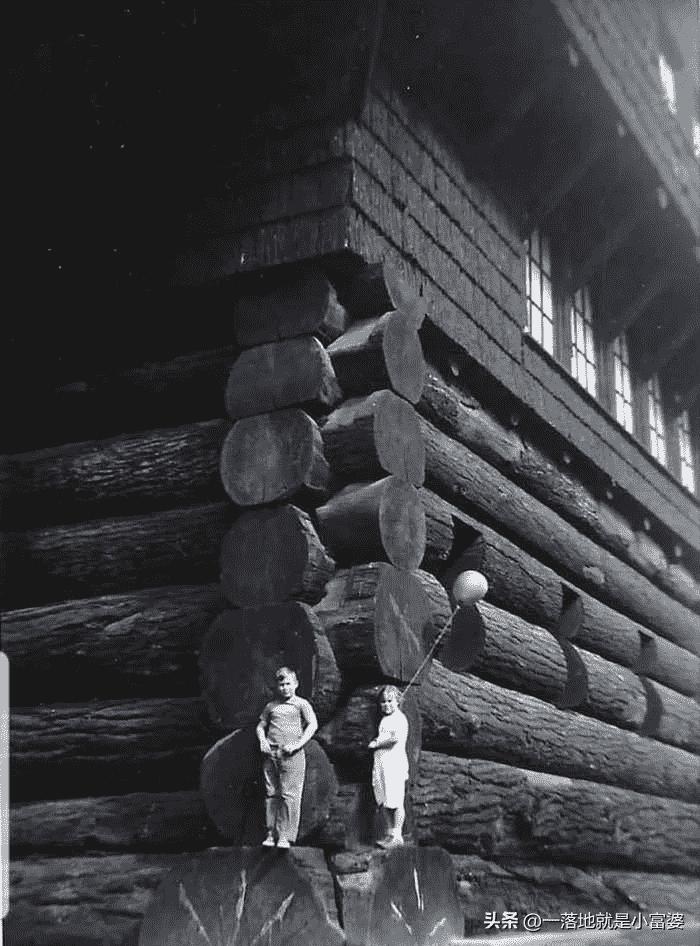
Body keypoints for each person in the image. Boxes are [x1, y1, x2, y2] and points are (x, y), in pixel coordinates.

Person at [256, 666, 318, 848]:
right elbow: (261, 726)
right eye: (281, 685)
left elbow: (312, 725)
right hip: (271, 753)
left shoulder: (301, 704)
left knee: (289, 795)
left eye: (288, 684)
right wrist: (262, 741)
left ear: (296, 684)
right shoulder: (271, 706)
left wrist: (298, 744)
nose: (285, 688)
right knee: (271, 793)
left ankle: (285, 836)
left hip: (291, 754)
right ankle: (270, 833)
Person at [368, 685, 409, 847]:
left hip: (394, 764)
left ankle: (398, 834)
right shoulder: (385, 719)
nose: (387, 705)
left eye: (390, 701)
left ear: (397, 701)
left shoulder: (400, 718)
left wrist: (377, 743)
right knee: (383, 799)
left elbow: (394, 738)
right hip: (381, 763)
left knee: (396, 800)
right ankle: (389, 833)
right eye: (383, 702)